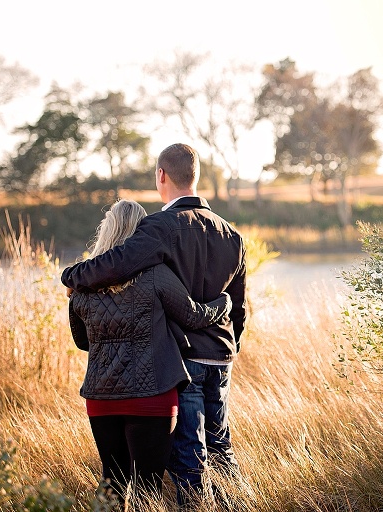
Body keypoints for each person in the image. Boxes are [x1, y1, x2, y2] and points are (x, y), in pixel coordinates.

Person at [62, 143, 247, 508]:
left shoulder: (160, 226)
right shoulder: (232, 234)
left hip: (181, 361)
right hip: (221, 359)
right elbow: (239, 304)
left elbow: (116, 264)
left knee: (188, 457)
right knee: (221, 445)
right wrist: (230, 346)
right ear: (195, 176)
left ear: (161, 176)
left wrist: (71, 275)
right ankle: (236, 504)